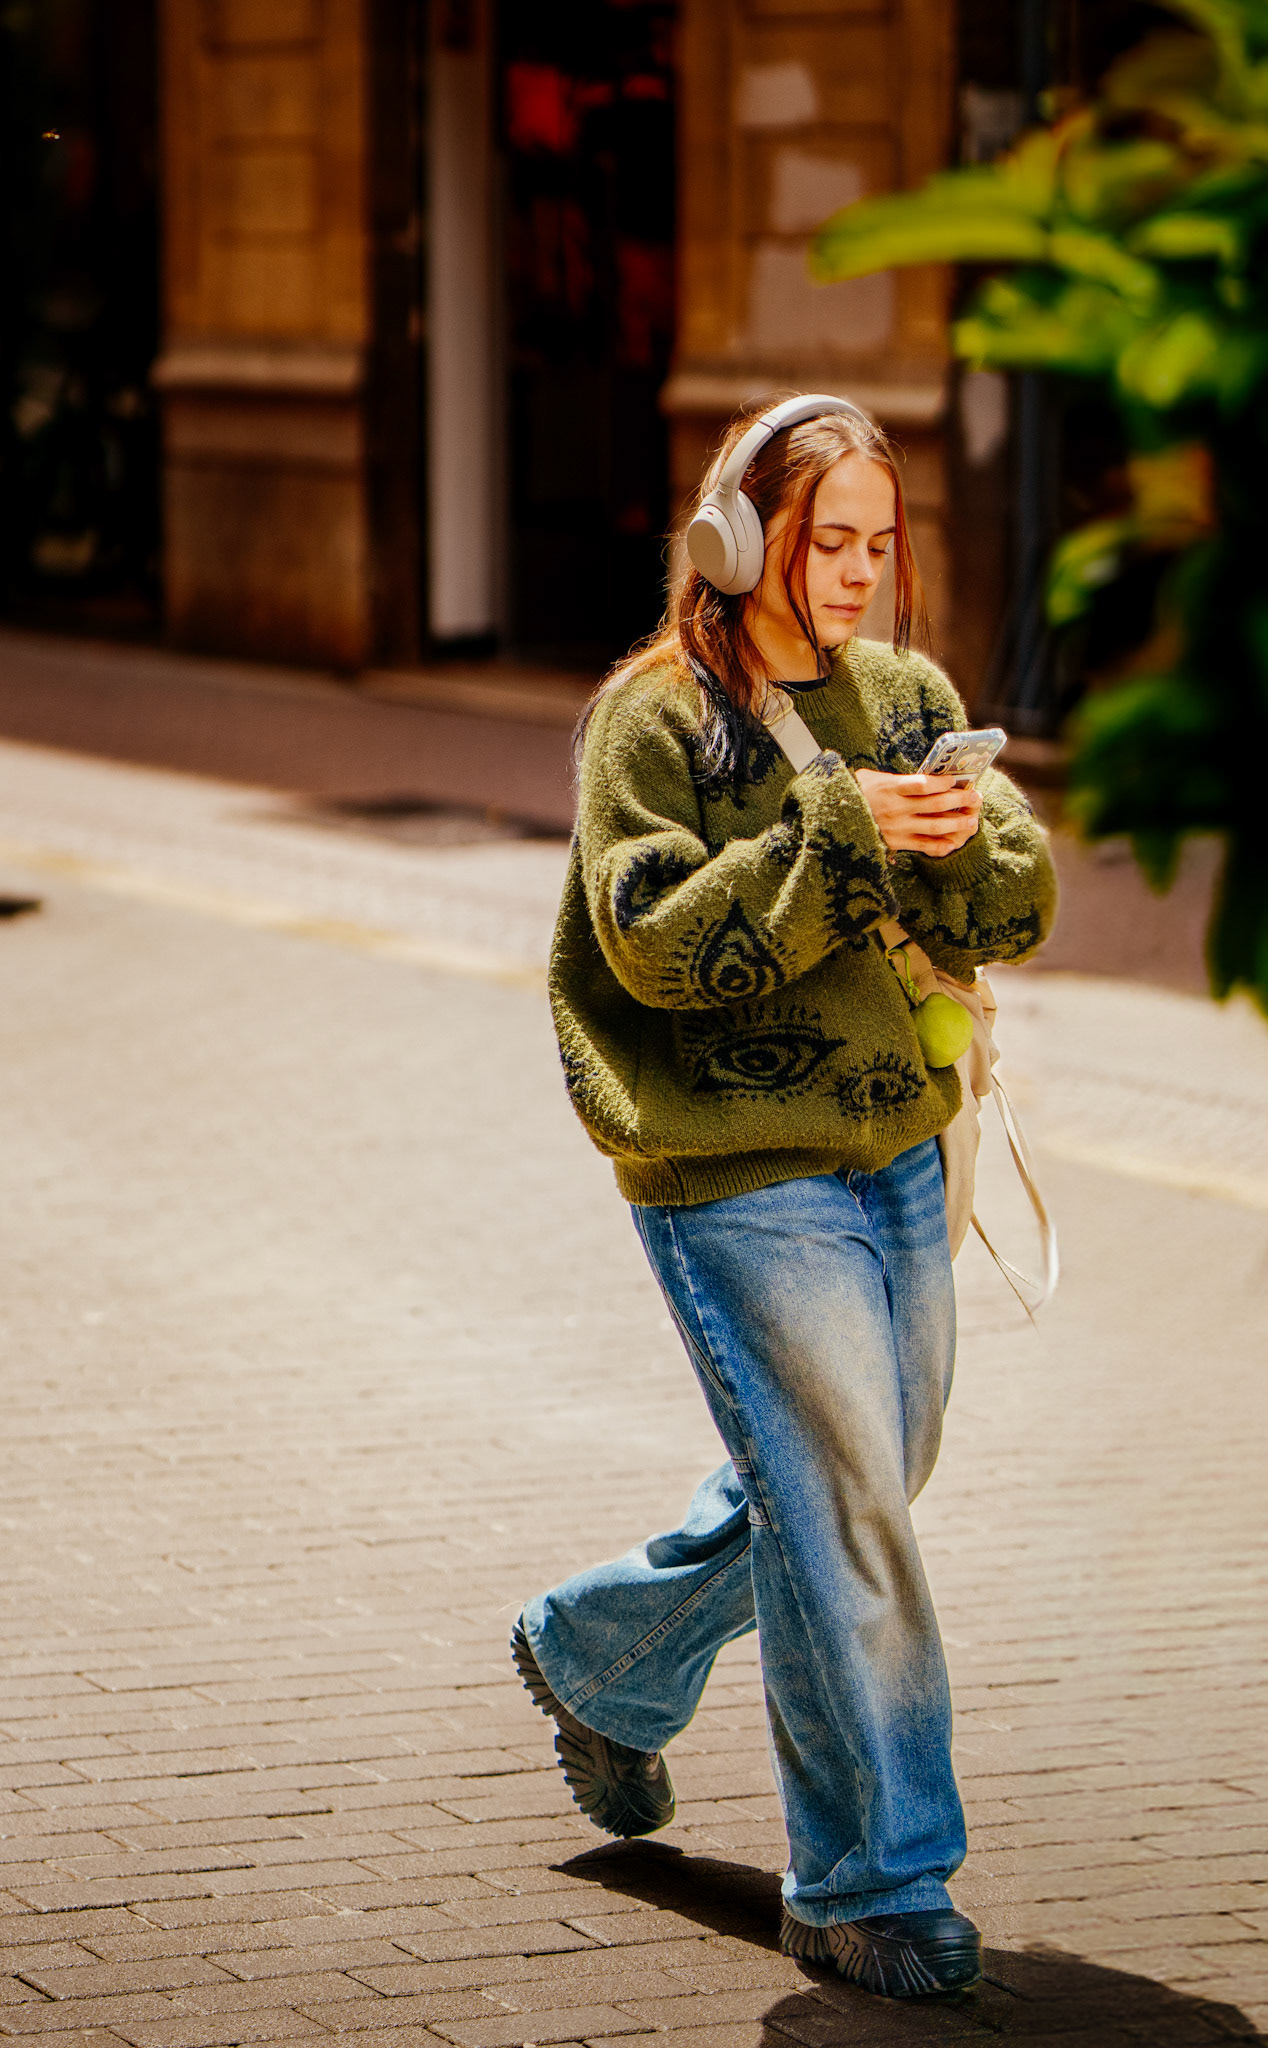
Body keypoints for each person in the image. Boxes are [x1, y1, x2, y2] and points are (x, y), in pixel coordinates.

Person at [511, 395, 1057, 1998]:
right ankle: (870, 1883)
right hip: (733, 1169)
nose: (862, 575)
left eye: (884, 545)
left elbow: (1019, 897)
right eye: (832, 542)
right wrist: (839, 829)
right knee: (846, 1504)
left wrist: (955, 839)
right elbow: (653, 945)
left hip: (895, 1146)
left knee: (867, 1474)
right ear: (739, 537)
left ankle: (601, 1659)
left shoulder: (905, 699)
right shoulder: (654, 723)